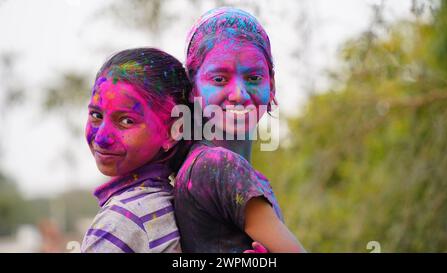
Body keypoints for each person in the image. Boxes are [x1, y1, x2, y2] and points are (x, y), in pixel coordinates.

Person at [174, 7, 306, 253]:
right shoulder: (215, 166)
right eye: (220, 79)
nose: (239, 94)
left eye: (254, 78)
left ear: (272, 84)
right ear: (192, 87)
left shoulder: (252, 178)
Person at [81, 47, 191, 253]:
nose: (102, 138)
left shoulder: (119, 223)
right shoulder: (170, 203)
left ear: (174, 130)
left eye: (126, 120)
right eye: (96, 115)